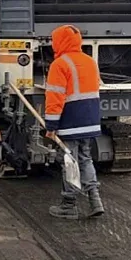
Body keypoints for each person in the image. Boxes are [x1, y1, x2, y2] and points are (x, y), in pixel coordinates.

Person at [43, 24, 105, 220]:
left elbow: (55, 98)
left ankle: (69, 205)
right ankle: (95, 200)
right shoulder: (90, 61)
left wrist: (51, 126)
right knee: (85, 158)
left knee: (69, 161)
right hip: (90, 120)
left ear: (60, 42)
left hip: (70, 121)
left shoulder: (59, 64)